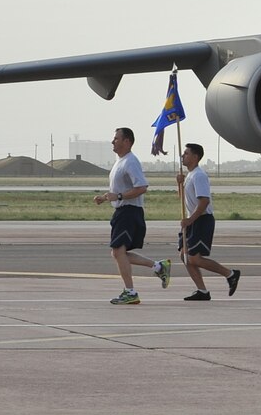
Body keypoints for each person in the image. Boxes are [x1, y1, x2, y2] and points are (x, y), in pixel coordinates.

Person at [96, 127, 168, 305]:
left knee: (118, 251)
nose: (113, 141)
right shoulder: (119, 162)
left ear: (127, 141)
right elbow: (119, 190)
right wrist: (105, 198)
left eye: (116, 139)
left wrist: (119, 197)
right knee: (118, 253)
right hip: (121, 211)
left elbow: (141, 187)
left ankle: (130, 292)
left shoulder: (130, 162)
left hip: (129, 212)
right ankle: (159, 266)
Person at [178, 142, 240, 301]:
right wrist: (179, 184)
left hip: (201, 220)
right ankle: (202, 291)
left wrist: (190, 220)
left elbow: (204, 201)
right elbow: (184, 199)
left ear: (195, 156)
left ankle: (230, 274)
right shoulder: (190, 176)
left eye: (186, 153)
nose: (183, 156)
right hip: (192, 221)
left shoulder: (199, 175)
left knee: (194, 258)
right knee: (184, 256)